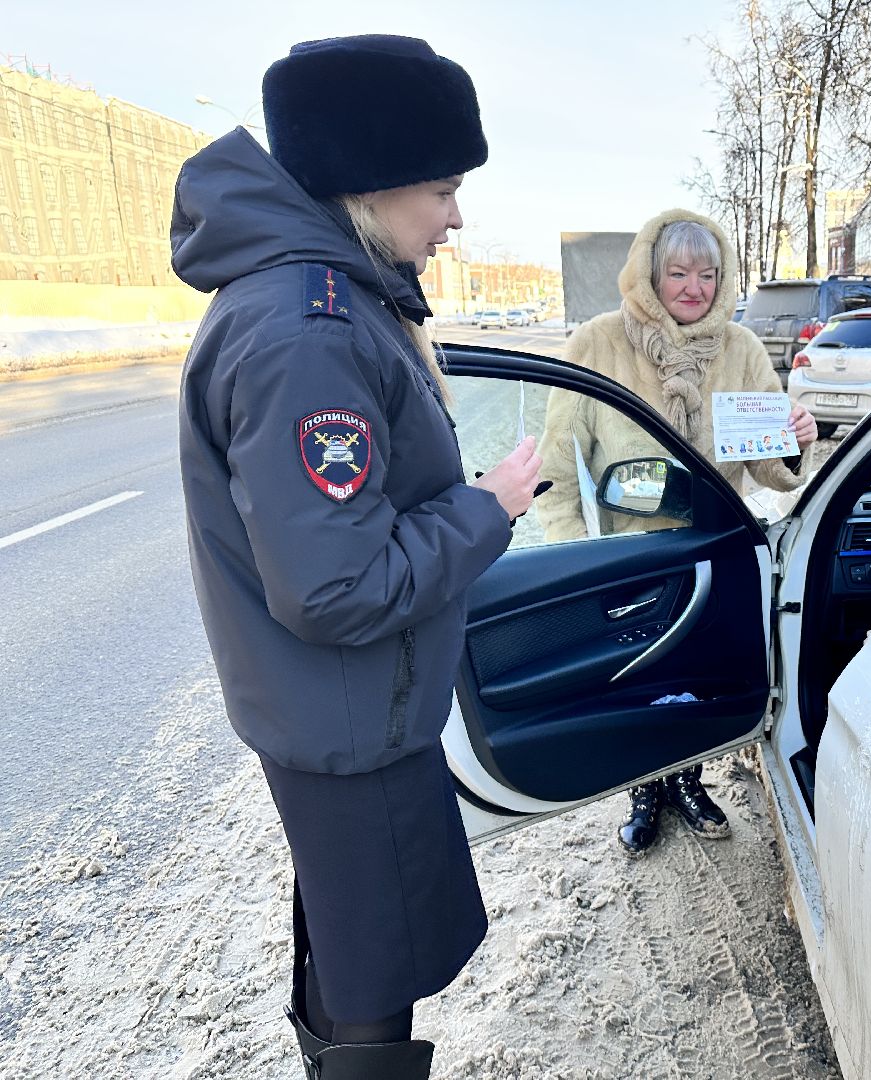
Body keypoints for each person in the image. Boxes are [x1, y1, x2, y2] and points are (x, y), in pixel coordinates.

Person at [172, 35, 540, 1079]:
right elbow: (337, 585)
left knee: (353, 949)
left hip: (338, 716)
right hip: (350, 721)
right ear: (370, 185)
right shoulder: (310, 332)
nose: (457, 216)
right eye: (444, 188)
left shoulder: (318, 300)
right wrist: (487, 508)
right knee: (374, 981)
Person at [535, 209, 818, 856]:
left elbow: (772, 471)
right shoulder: (598, 343)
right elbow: (556, 463)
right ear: (649, 275)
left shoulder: (742, 350)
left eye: (708, 275)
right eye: (679, 273)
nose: (694, 288)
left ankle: (687, 781)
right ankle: (644, 789)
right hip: (629, 555)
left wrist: (797, 438)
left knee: (695, 678)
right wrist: (578, 557)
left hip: (713, 548)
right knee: (639, 680)